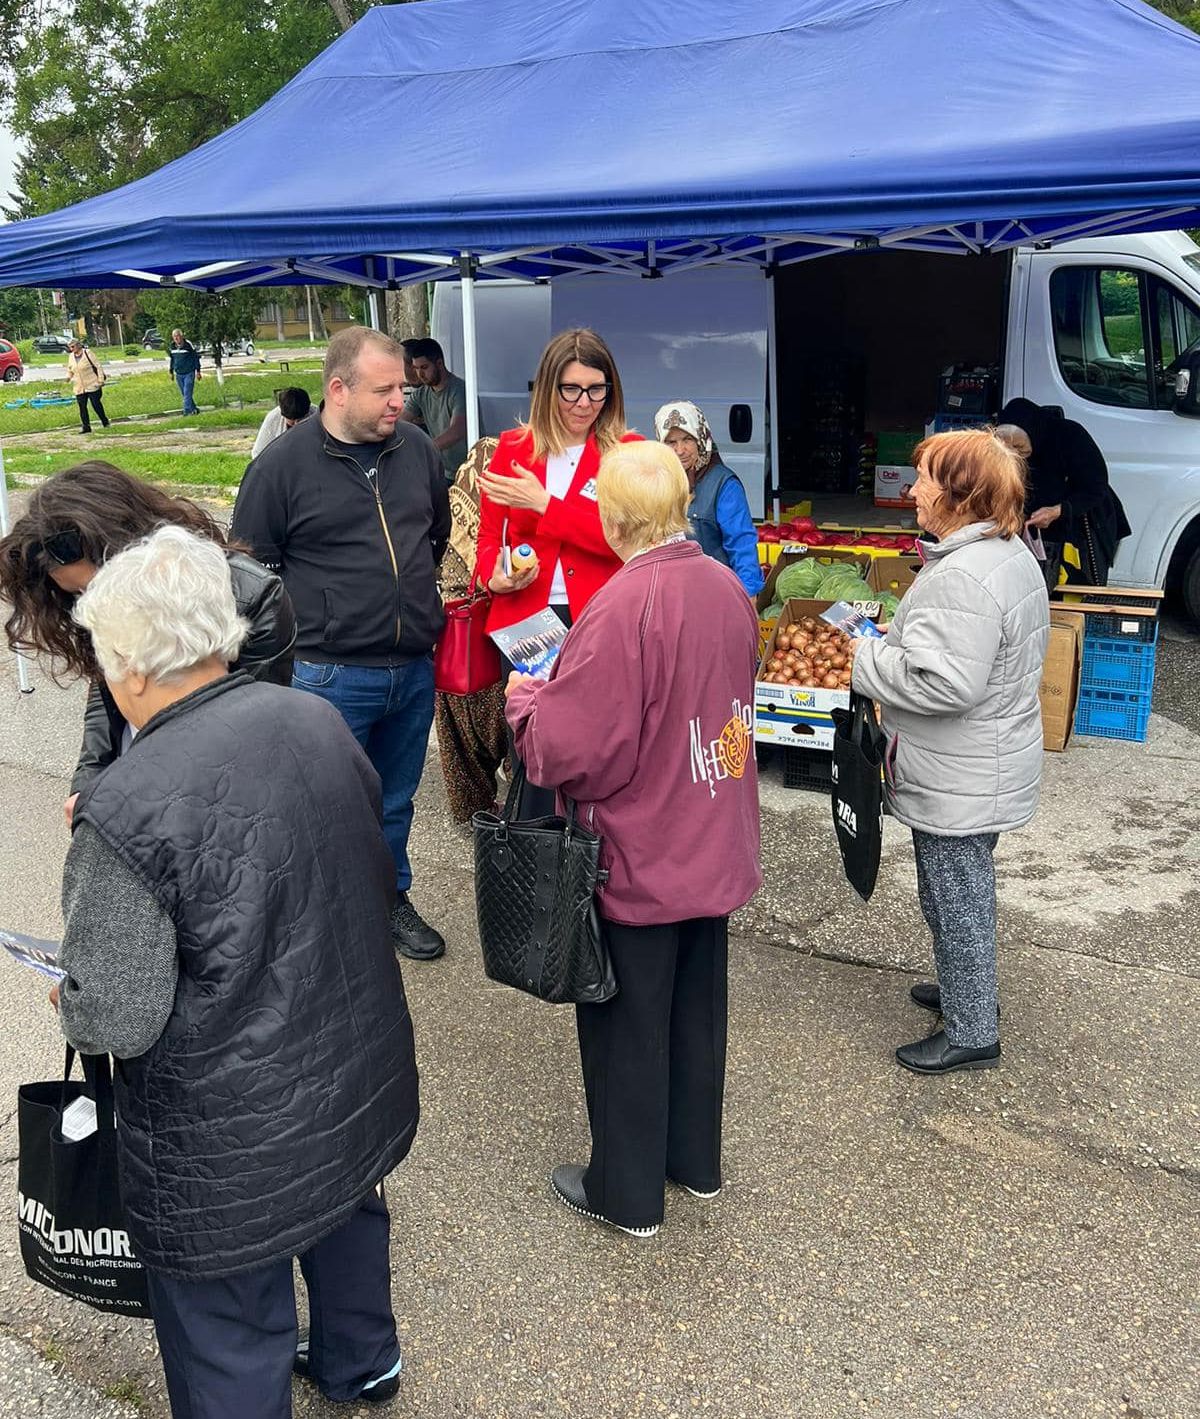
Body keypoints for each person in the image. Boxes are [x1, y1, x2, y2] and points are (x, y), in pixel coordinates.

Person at [54, 525, 418, 1418]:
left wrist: (71, 994)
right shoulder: (316, 718)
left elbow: (116, 1016)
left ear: (132, 666)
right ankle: (362, 1361)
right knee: (344, 1212)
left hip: (224, 1121)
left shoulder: (123, 807)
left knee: (226, 1318)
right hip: (348, 1055)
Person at [505, 440, 762, 1237]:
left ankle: (626, 1194)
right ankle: (694, 1164)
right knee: (695, 1011)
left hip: (642, 853)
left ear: (613, 520)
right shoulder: (726, 585)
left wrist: (525, 702)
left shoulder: (623, 604)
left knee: (627, 1026)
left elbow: (575, 752)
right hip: (712, 834)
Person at [232, 326, 451, 961]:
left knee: (396, 800)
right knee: (323, 810)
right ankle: (326, 922)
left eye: (402, 389)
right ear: (337, 390)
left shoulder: (414, 450)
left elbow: (433, 538)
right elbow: (250, 576)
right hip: (327, 676)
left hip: (411, 667)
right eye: (385, 390)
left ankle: (389, 899)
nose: (399, 403)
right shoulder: (278, 469)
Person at [850, 428, 1049, 1077]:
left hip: (962, 770)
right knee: (961, 890)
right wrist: (897, 640)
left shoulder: (964, 575)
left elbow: (946, 683)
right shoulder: (1003, 551)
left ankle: (971, 1029)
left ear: (961, 494)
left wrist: (864, 657)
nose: (914, 490)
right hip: (984, 761)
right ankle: (969, 991)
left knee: (953, 896)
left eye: (927, 478)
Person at [0, 461, 296, 827]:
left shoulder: (252, 595)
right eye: (78, 594)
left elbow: (252, 731)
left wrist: (147, 795)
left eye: (95, 586)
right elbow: (106, 682)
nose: (92, 602)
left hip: (215, 789)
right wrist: (89, 778)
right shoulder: (102, 599)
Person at [476, 327, 640, 817]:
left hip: (597, 618)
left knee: (594, 741)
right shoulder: (512, 449)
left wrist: (545, 504)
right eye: (571, 389)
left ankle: (591, 846)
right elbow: (489, 539)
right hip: (527, 620)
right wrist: (493, 575)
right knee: (531, 745)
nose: (584, 402)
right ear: (548, 388)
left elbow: (623, 538)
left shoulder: (625, 453)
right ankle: (533, 851)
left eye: (596, 389)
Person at [434, 436, 509, 823]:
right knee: (510, 729)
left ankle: (472, 811)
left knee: (458, 739)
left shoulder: (450, 513)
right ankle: (519, 807)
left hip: (454, 648)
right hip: (495, 650)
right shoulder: (504, 522)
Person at [996, 398, 1131, 586]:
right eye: (1008, 450)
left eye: (1019, 446)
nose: (1016, 454)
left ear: (1033, 432)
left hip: (1085, 522)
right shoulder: (999, 450)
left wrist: (1058, 511)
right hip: (1038, 533)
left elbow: (1095, 486)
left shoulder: (1069, 435)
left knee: (1080, 588)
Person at [654, 399, 763, 596]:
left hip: (715, 593)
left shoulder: (723, 485)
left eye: (687, 439)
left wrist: (749, 594)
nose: (680, 450)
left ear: (701, 439)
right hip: (669, 593)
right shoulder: (658, 482)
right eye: (671, 442)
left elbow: (741, 543)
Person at [398, 337, 468, 481]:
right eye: (416, 368)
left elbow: (458, 430)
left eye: (424, 367)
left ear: (439, 364)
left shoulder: (459, 390)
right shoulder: (420, 394)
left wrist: (425, 448)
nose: (420, 374)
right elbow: (400, 423)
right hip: (444, 473)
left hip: (469, 472)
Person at [250, 385, 314, 458]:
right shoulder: (273, 418)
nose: (296, 424)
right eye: (292, 422)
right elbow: (258, 453)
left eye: (301, 419)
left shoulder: (319, 415)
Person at [65, 338, 110, 434]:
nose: (71, 349)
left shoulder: (87, 353)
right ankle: (86, 426)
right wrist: (68, 377)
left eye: (73, 346)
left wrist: (101, 380)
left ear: (78, 345)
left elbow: (98, 366)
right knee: (82, 406)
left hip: (92, 383)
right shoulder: (71, 356)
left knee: (96, 404)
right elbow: (70, 369)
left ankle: (105, 421)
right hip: (79, 386)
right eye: (70, 347)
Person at [167, 329, 201, 415]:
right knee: (185, 394)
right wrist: (171, 372)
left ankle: (187, 412)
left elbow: (195, 357)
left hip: (189, 373)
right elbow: (172, 360)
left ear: (181, 336)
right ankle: (194, 409)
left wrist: (198, 371)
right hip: (179, 374)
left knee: (187, 393)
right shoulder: (172, 346)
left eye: (177, 336)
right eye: (174, 336)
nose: (176, 338)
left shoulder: (188, 345)